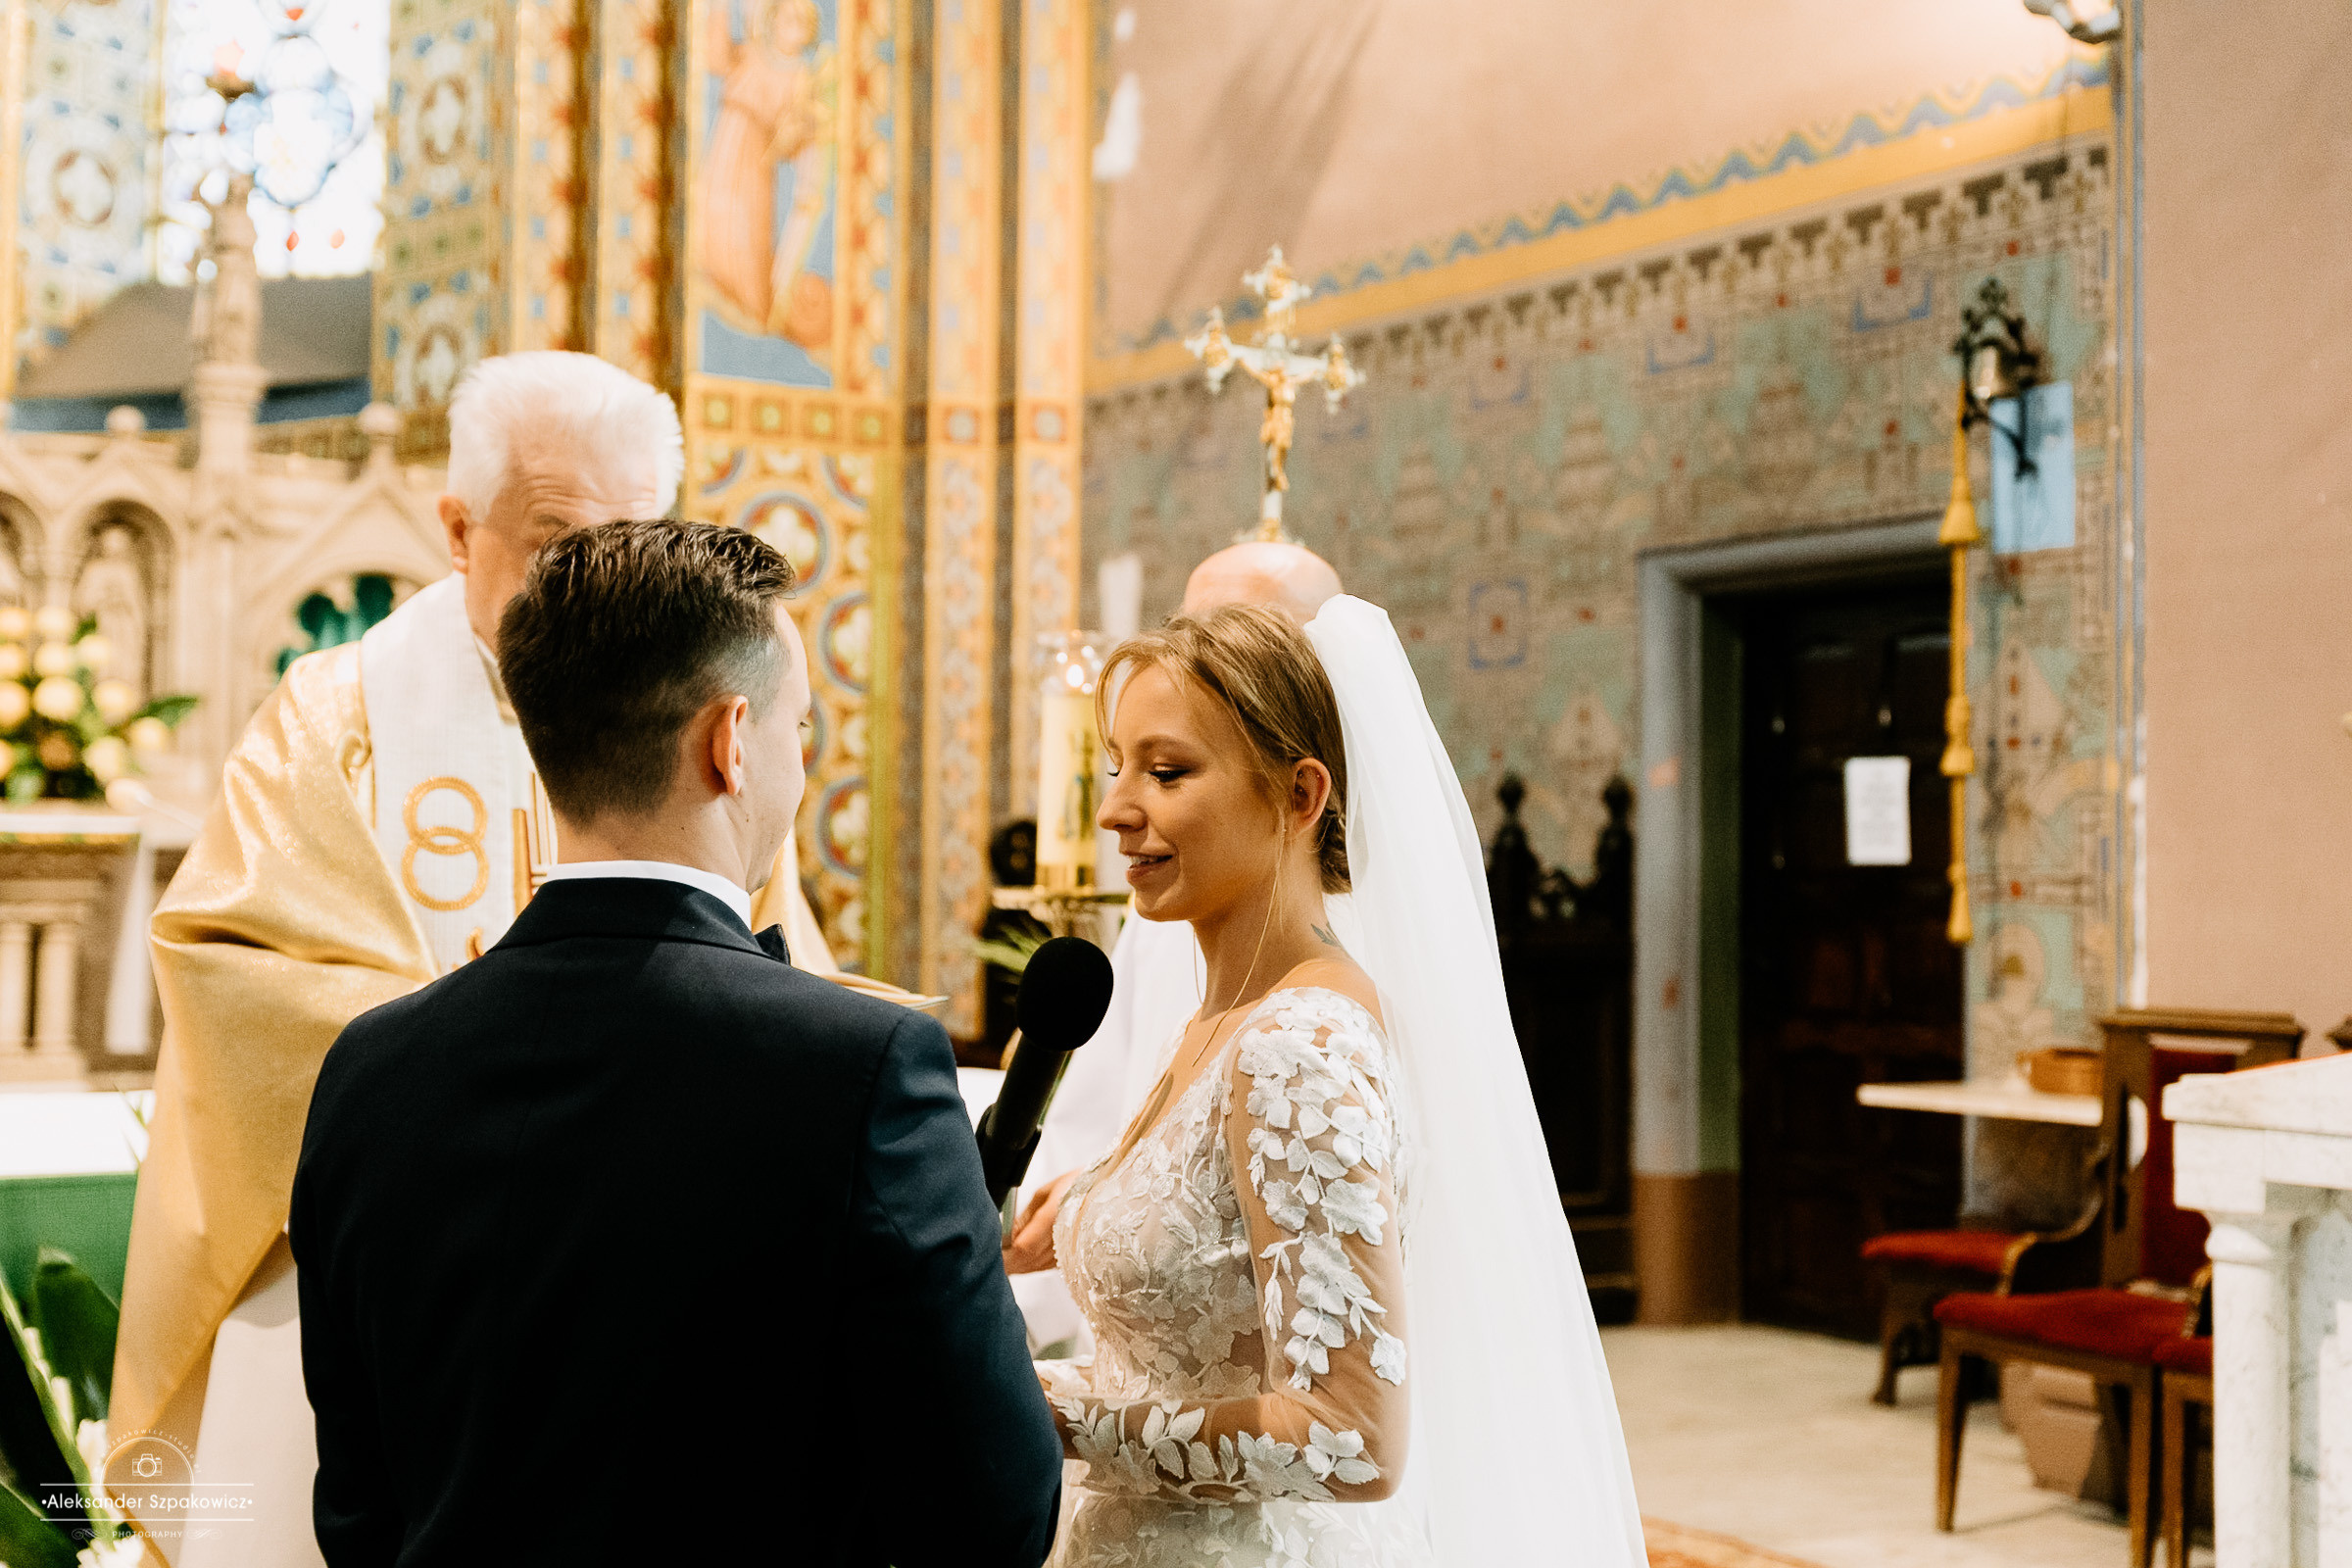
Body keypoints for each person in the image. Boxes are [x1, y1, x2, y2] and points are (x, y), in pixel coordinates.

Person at [110, 352, 854, 1567]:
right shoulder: (335, 718)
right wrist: (522, 1102)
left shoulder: (703, 729)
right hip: (406, 1277)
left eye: (629, 543)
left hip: (647, 1271)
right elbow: (236, 965)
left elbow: (772, 979)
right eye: (560, 544)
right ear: (460, 529)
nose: (596, 584)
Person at [291, 519, 1061, 1568]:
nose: (796, 760)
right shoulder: (862, 1065)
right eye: (799, 727)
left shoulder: (369, 1066)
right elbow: (992, 1506)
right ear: (732, 740)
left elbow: (357, 1508)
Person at [1033, 600, 1648, 1566]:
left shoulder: (1299, 1044)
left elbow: (1350, 1435)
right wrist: (1082, 1208)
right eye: (1116, 767)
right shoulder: (1223, 1017)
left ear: (1301, 792)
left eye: (1166, 771)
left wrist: (1042, 1400)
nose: (1115, 808)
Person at [1002, 541, 1346, 1310]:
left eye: (1165, 772)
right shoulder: (1173, 899)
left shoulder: (1314, 1032)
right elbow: (1110, 1121)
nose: (1113, 813)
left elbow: (1335, 1411)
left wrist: (1057, 1412)